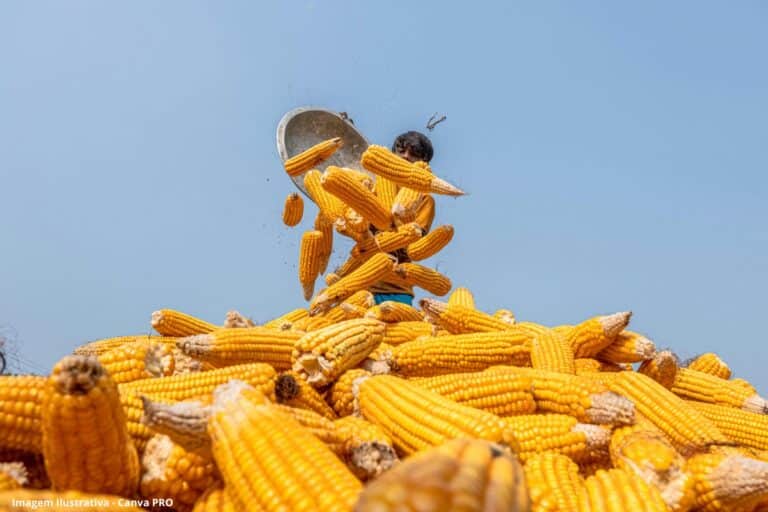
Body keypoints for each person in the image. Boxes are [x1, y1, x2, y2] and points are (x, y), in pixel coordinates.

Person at [369, 131, 435, 306]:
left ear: (424, 162)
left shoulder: (425, 200)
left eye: (414, 154)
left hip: (396, 287)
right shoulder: (373, 184)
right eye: (401, 151)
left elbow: (415, 246)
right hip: (359, 281)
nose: (406, 156)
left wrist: (396, 222)